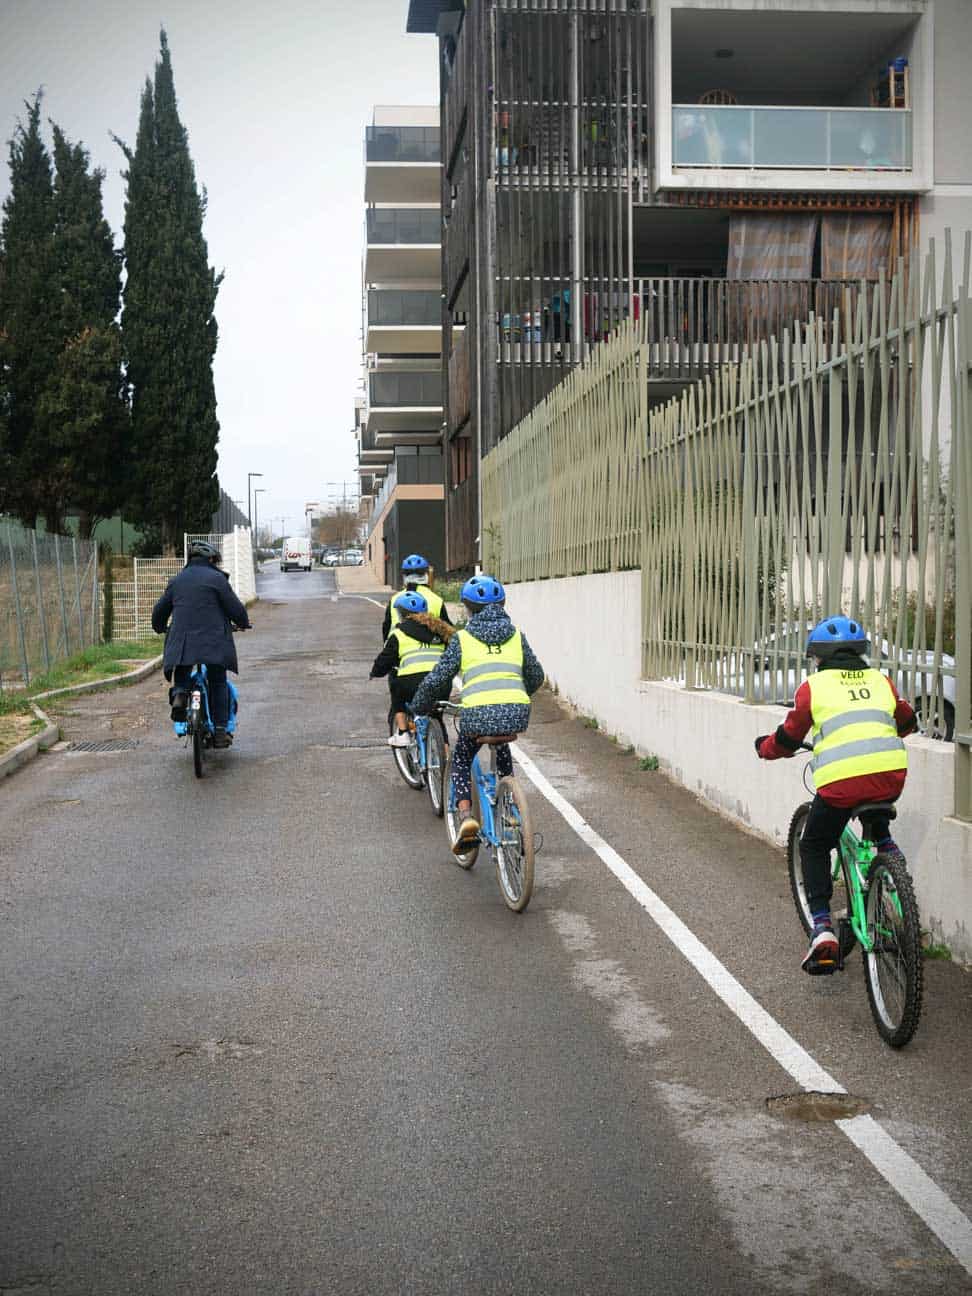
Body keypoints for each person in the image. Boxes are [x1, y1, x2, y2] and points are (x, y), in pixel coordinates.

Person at [755, 615, 917, 974]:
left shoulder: (813, 687)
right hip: (890, 777)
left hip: (841, 785)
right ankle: (891, 858)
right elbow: (908, 722)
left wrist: (765, 748)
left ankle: (823, 928)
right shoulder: (882, 682)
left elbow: (789, 738)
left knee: (813, 844)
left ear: (819, 657)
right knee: (875, 815)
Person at [410, 575, 544, 853]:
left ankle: (465, 816)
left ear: (468, 609)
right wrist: (516, 696)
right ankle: (510, 807)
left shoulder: (463, 639)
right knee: (500, 744)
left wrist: (420, 704)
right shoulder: (517, 636)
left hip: (477, 715)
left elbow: (438, 679)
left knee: (461, 757)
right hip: (516, 712)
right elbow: (536, 676)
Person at [151, 540, 252, 748]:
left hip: (183, 641)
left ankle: (180, 693)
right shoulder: (217, 579)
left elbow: (160, 611)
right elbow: (235, 608)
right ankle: (221, 731)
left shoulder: (177, 580)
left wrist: (160, 626)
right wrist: (243, 623)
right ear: (211, 560)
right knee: (217, 681)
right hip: (214, 642)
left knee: (183, 670)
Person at [370, 591, 454, 747]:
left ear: (401, 613)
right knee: (437, 716)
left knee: (396, 688)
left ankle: (402, 733)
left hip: (411, 684)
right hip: (441, 683)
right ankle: (446, 756)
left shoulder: (399, 633)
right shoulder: (441, 630)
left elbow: (385, 660)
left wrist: (375, 672)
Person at [381, 553, 451, 641]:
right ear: (426, 575)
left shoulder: (395, 599)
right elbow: (447, 632)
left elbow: (386, 628)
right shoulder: (437, 600)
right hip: (430, 649)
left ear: (404, 576)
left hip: (397, 647)